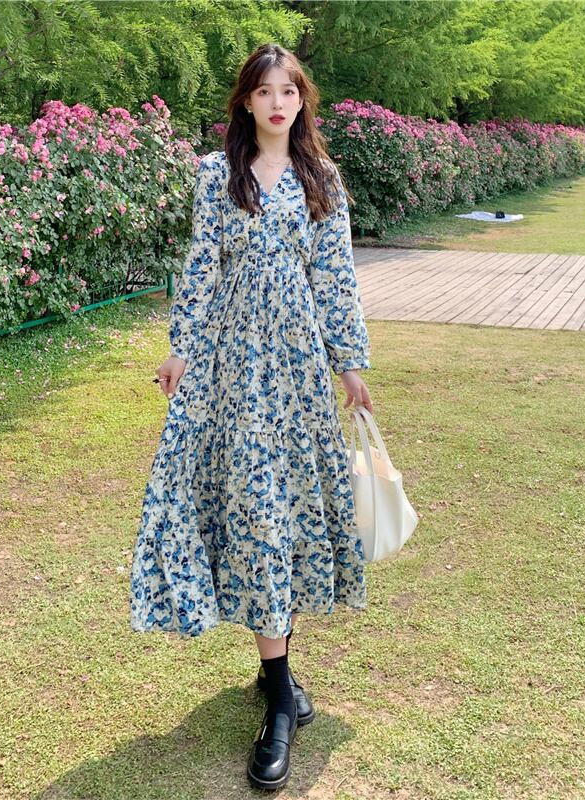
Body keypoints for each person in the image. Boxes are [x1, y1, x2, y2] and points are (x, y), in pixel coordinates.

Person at [129, 42, 374, 791]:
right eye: (264, 91)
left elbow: (335, 276)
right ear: (245, 100)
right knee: (251, 508)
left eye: (288, 91)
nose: (276, 103)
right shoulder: (217, 173)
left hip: (295, 366)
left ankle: (278, 686)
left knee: (285, 509)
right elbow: (201, 266)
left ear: (302, 101)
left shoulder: (320, 176)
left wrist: (349, 362)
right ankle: (279, 690)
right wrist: (181, 348)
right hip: (231, 365)